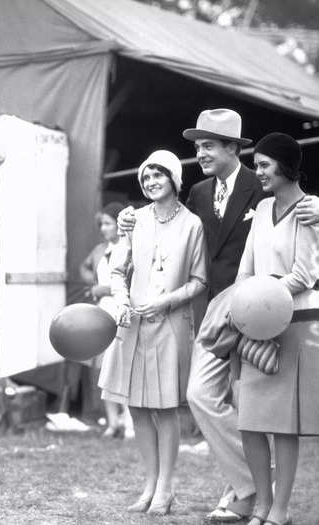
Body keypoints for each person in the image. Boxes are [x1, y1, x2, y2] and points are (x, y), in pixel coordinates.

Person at [117, 109, 319, 521]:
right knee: (201, 397)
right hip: (214, 314)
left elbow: (302, 214)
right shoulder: (198, 194)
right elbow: (170, 215)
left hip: (265, 315)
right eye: (196, 146)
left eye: (208, 145)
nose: (200, 153)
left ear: (234, 148)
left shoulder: (263, 188)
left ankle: (244, 498)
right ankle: (253, 483)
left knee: (248, 406)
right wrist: (128, 216)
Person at [99, 150, 207, 515]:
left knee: (164, 409)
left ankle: (166, 487)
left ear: (175, 180)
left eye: (158, 175)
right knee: (137, 408)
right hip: (133, 324)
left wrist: (165, 303)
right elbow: (117, 270)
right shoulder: (133, 221)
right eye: (146, 177)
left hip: (170, 324)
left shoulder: (192, 224)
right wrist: (122, 301)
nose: (151, 182)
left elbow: (198, 281)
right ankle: (148, 484)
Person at [234, 133, 319, 525]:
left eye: (265, 164)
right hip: (254, 322)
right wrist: (242, 305)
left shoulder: (309, 209)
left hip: (293, 324)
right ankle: (263, 504)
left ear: (286, 165)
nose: (259, 171)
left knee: (283, 424)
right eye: (257, 164)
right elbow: (245, 269)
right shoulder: (262, 207)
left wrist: (261, 296)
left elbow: (304, 274)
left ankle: (280, 511)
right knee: (250, 419)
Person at [80, 201, 134, 439]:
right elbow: (83, 267)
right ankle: (112, 423)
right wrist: (93, 285)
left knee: (124, 370)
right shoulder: (100, 250)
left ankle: (131, 423)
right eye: (101, 224)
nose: (103, 228)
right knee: (104, 371)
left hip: (122, 311)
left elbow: (133, 280)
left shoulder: (130, 247)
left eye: (108, 223)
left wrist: (104, 288)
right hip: (102, 312)